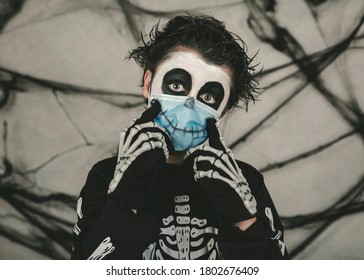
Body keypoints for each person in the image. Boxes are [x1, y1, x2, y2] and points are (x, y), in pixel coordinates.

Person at [70, 14, 288, 260]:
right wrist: (125, 199)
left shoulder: (245, 182)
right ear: (148, 83)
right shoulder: (106, 176)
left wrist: (244, 220)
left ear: (224, 111)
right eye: (176, 86)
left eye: (208, 98)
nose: (188, 107)